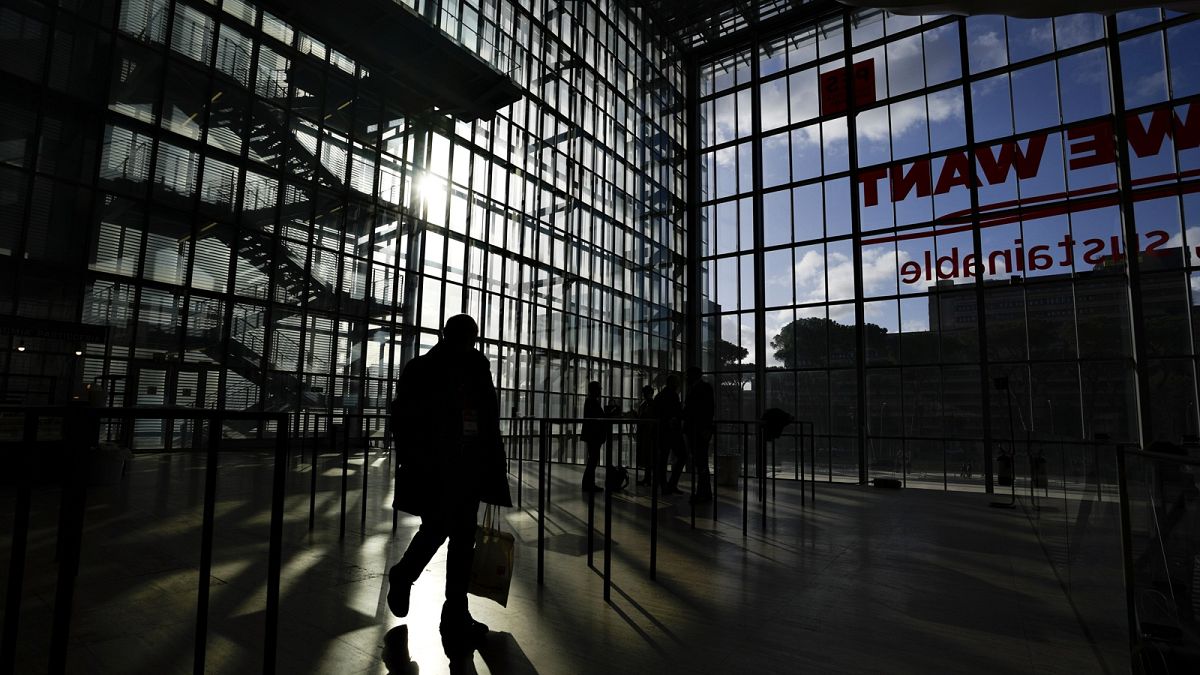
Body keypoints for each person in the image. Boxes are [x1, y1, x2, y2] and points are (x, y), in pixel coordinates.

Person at [387, 314, 512, 643]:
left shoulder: (421, 368)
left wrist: (413, 461)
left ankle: (414, 582)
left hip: (436, 467)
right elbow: (488, 419)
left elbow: (403, 419)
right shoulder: (475, 366)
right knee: (458, 538)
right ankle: (452, 609)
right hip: (464, 465)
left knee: (441, 529)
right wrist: (494, 462)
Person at [682, 366, 715, 504]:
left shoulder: (698, 389)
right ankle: (704, 492)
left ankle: (702, 493)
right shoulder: (702, 388)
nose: (687, 378)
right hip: (699, 430)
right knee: (701, 463)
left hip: (698, 430)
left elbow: (704, 410)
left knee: (700, 462)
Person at [655, 374, 684, 495]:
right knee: (682, 456)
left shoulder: (660, 396)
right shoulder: (673, 395)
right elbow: (678, 413)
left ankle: (665, 485)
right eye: (677, 382)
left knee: (663, 459)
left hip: (663, 432)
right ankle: (671, 484)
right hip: (672, 432)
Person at [580, 380, 606, 492]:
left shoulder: (590, 401)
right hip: (594, 436)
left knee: (592, 460)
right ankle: (588, 484)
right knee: (593, 460)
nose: (601, 390)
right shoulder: (592, 402)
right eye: (599, 389)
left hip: (591, 435)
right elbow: (599, 417)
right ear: (594, 390)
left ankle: (588, 484)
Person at [635, 385, 656, 486]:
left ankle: (648, 478)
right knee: (647, 456)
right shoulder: (646, 404)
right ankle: (647, 478)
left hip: (648, 433)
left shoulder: (649, 404)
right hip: (645, 433)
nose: (644, 395)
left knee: (648, 456)